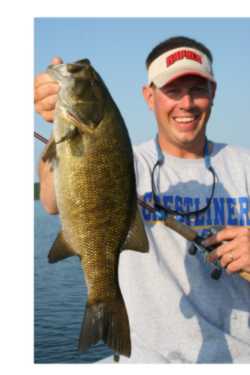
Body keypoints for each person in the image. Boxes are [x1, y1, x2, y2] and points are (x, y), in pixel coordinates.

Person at [34, 36, 250, 363]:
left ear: (213, 93)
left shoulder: (244, 165)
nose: (186, 103)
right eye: (172, 91)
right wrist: (56, 125)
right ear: (149, 96)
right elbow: (51, 201)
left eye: (197, 89)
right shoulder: (125, 161)